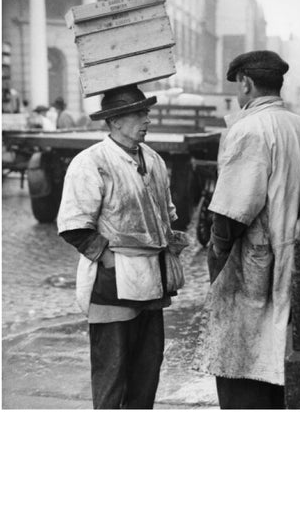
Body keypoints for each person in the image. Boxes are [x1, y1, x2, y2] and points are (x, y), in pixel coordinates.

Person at [194, 51, 300, 409]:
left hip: (254, 266)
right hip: (292, 256)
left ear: (245, 82)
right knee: (277, 362)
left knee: (242, 366)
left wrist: (217, 263)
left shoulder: (248, 129)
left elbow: (231, 212)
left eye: (237, 87)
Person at [57, 84, 187, 409]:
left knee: (146, 373)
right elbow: (74, 225)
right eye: (139, 113)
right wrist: (108, 258)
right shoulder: (91, 163)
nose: (148, 120)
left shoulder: (154, 160)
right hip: (111, 285)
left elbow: (166, 213)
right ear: (115, 121)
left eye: (147, 112)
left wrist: (170, 237)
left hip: (152, 283)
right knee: (112, 374)